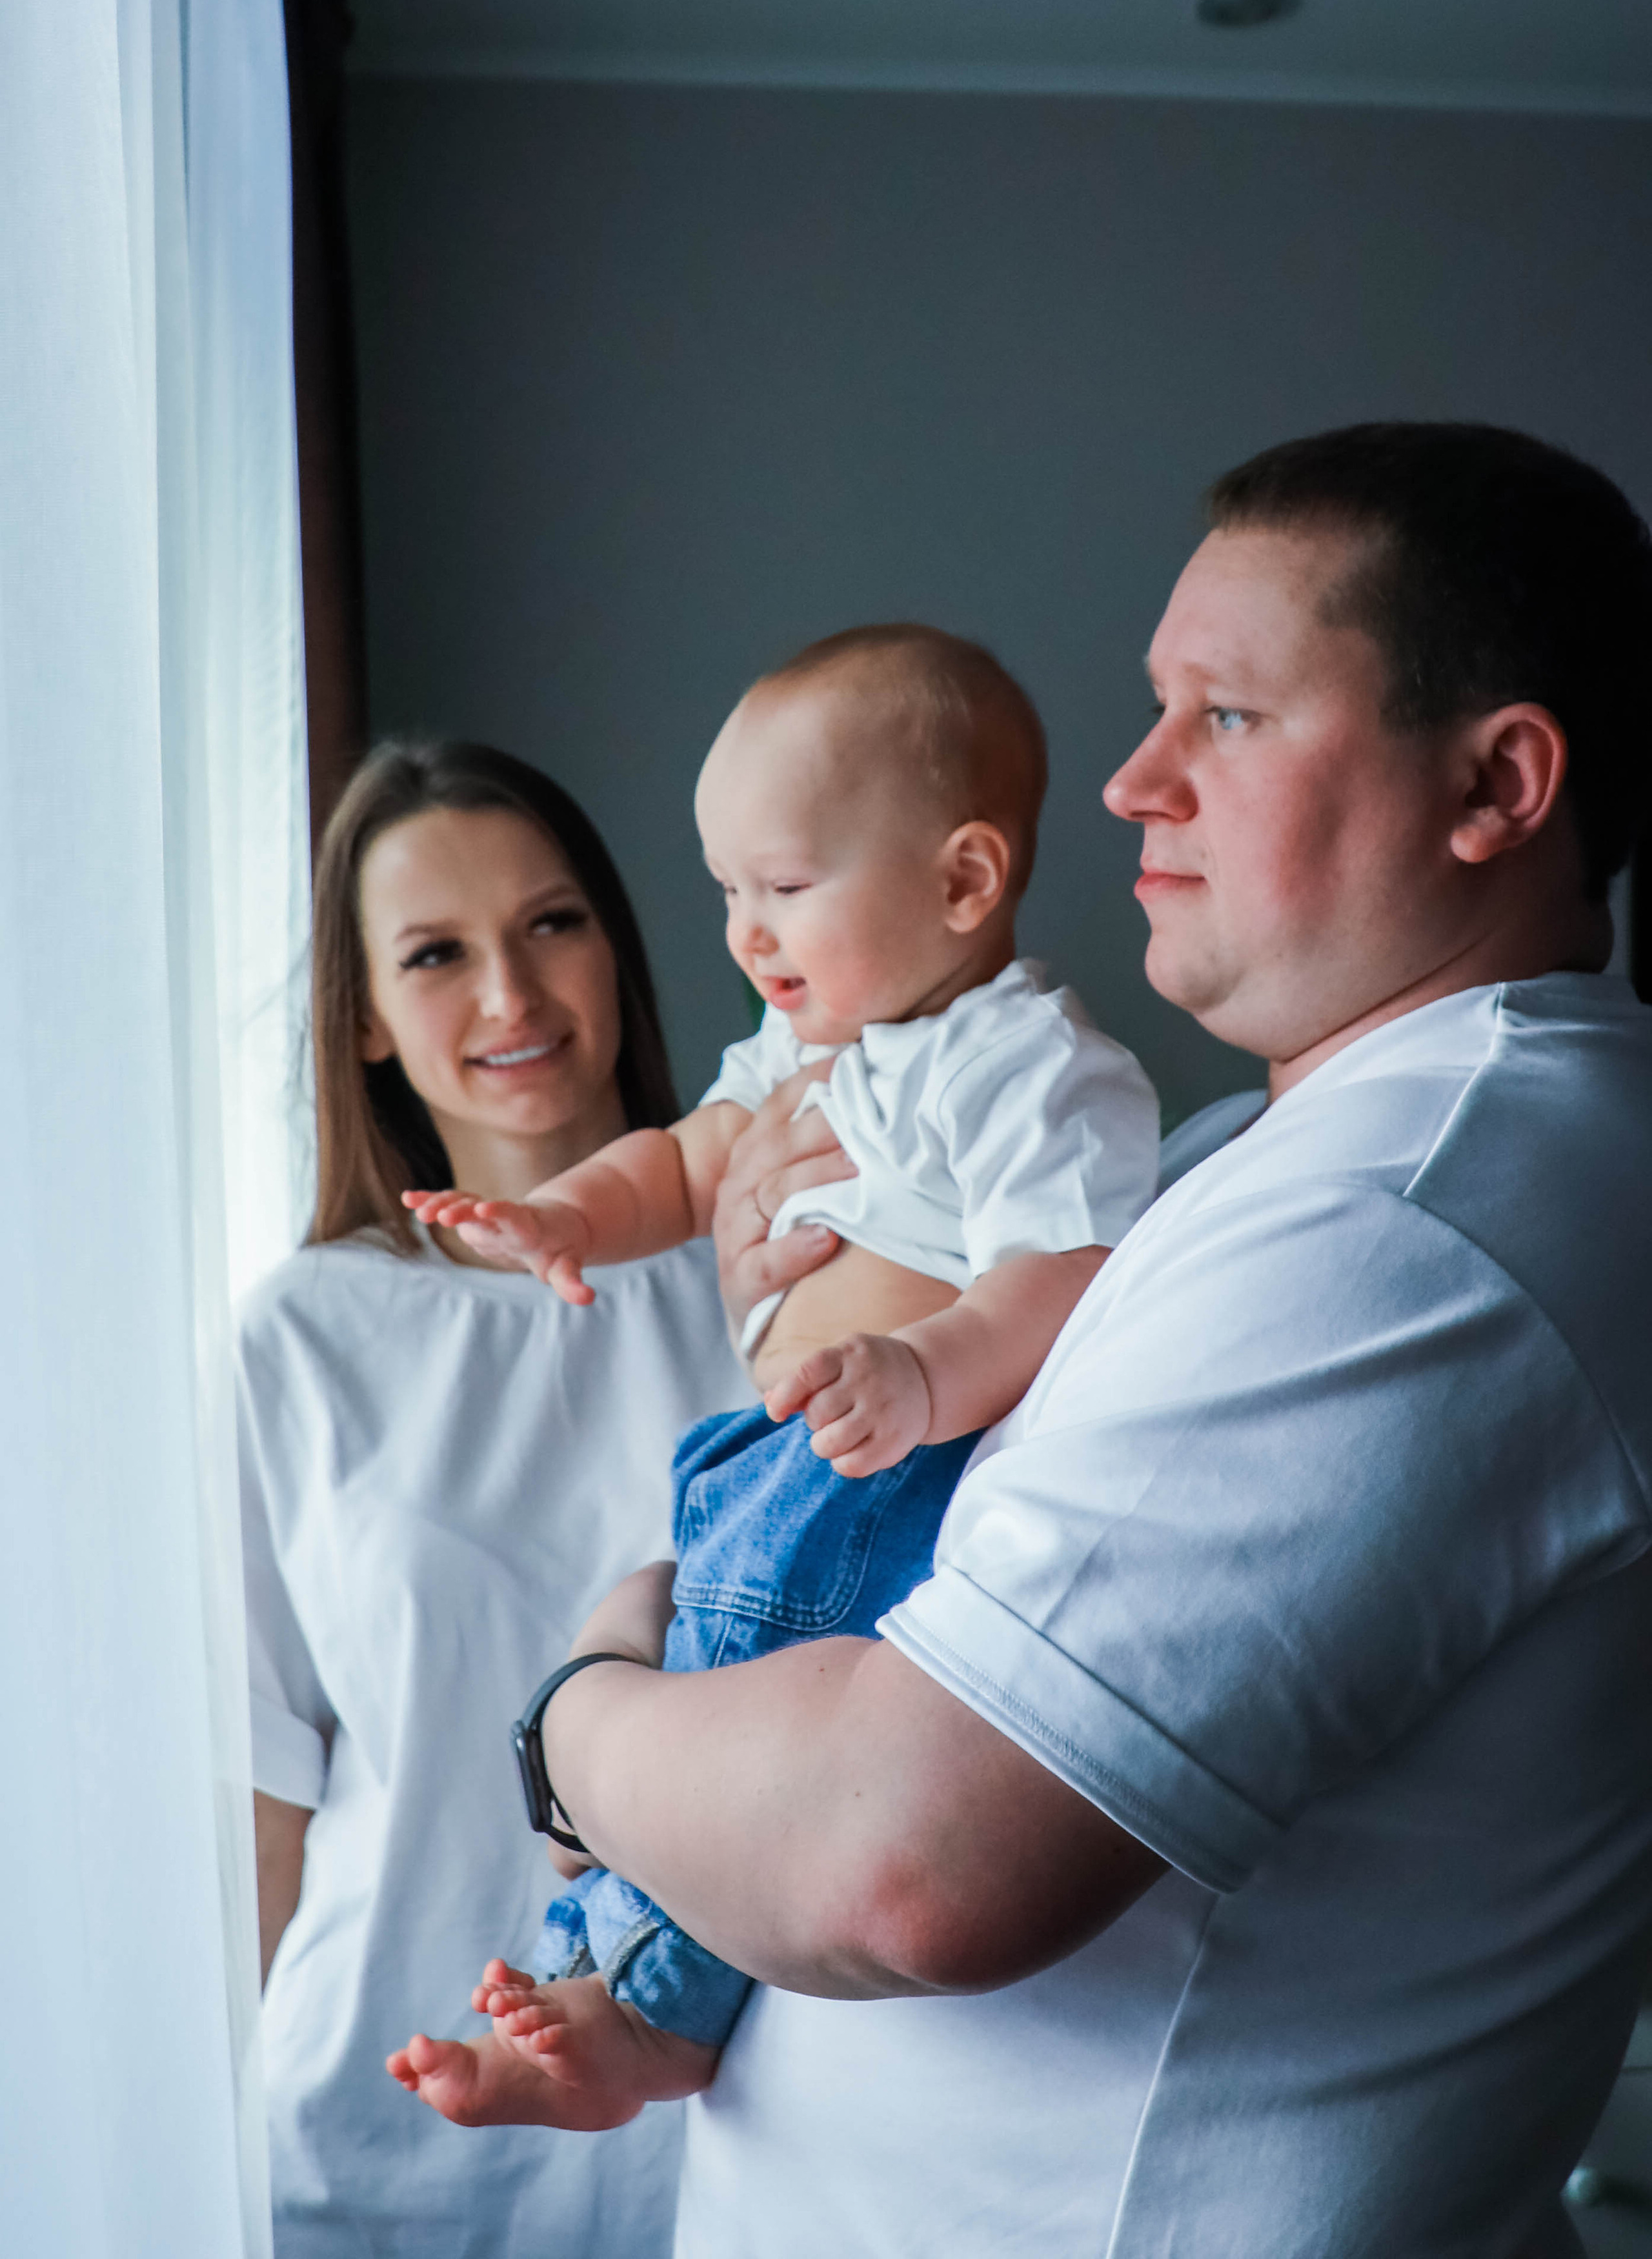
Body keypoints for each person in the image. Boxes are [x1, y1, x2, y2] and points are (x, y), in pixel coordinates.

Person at [451, 424, 1651, 2257]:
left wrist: (581, 1715)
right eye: (1155, 709)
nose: (1128, 781)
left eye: (1226, 718)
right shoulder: (1258, 1160)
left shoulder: (1418, 1214)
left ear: (1499, 782)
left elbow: (900, 1860)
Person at [385, 626, 1162, 2124]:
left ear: (960, 881)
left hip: (882, 1468)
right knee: (687, 1708)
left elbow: (1062, 1271)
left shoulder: (1019, 1068)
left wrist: (926, 1372)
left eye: (784, 887)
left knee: (729, 1725)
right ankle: (580, 1983)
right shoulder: (808, 1046)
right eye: (727, 890)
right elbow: (685, 1162)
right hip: (768, 1451)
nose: (745, 932)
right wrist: (565, 1217)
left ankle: (653, 2017)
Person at [239, 740, 751, 2259]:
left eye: (551, 925)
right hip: (379, 2125)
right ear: (370, 1025)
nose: (512, 1000)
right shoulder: (303, 1337)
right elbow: (268, 1787)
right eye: (436, 955)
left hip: (723, 2125)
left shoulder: (785, 1273)